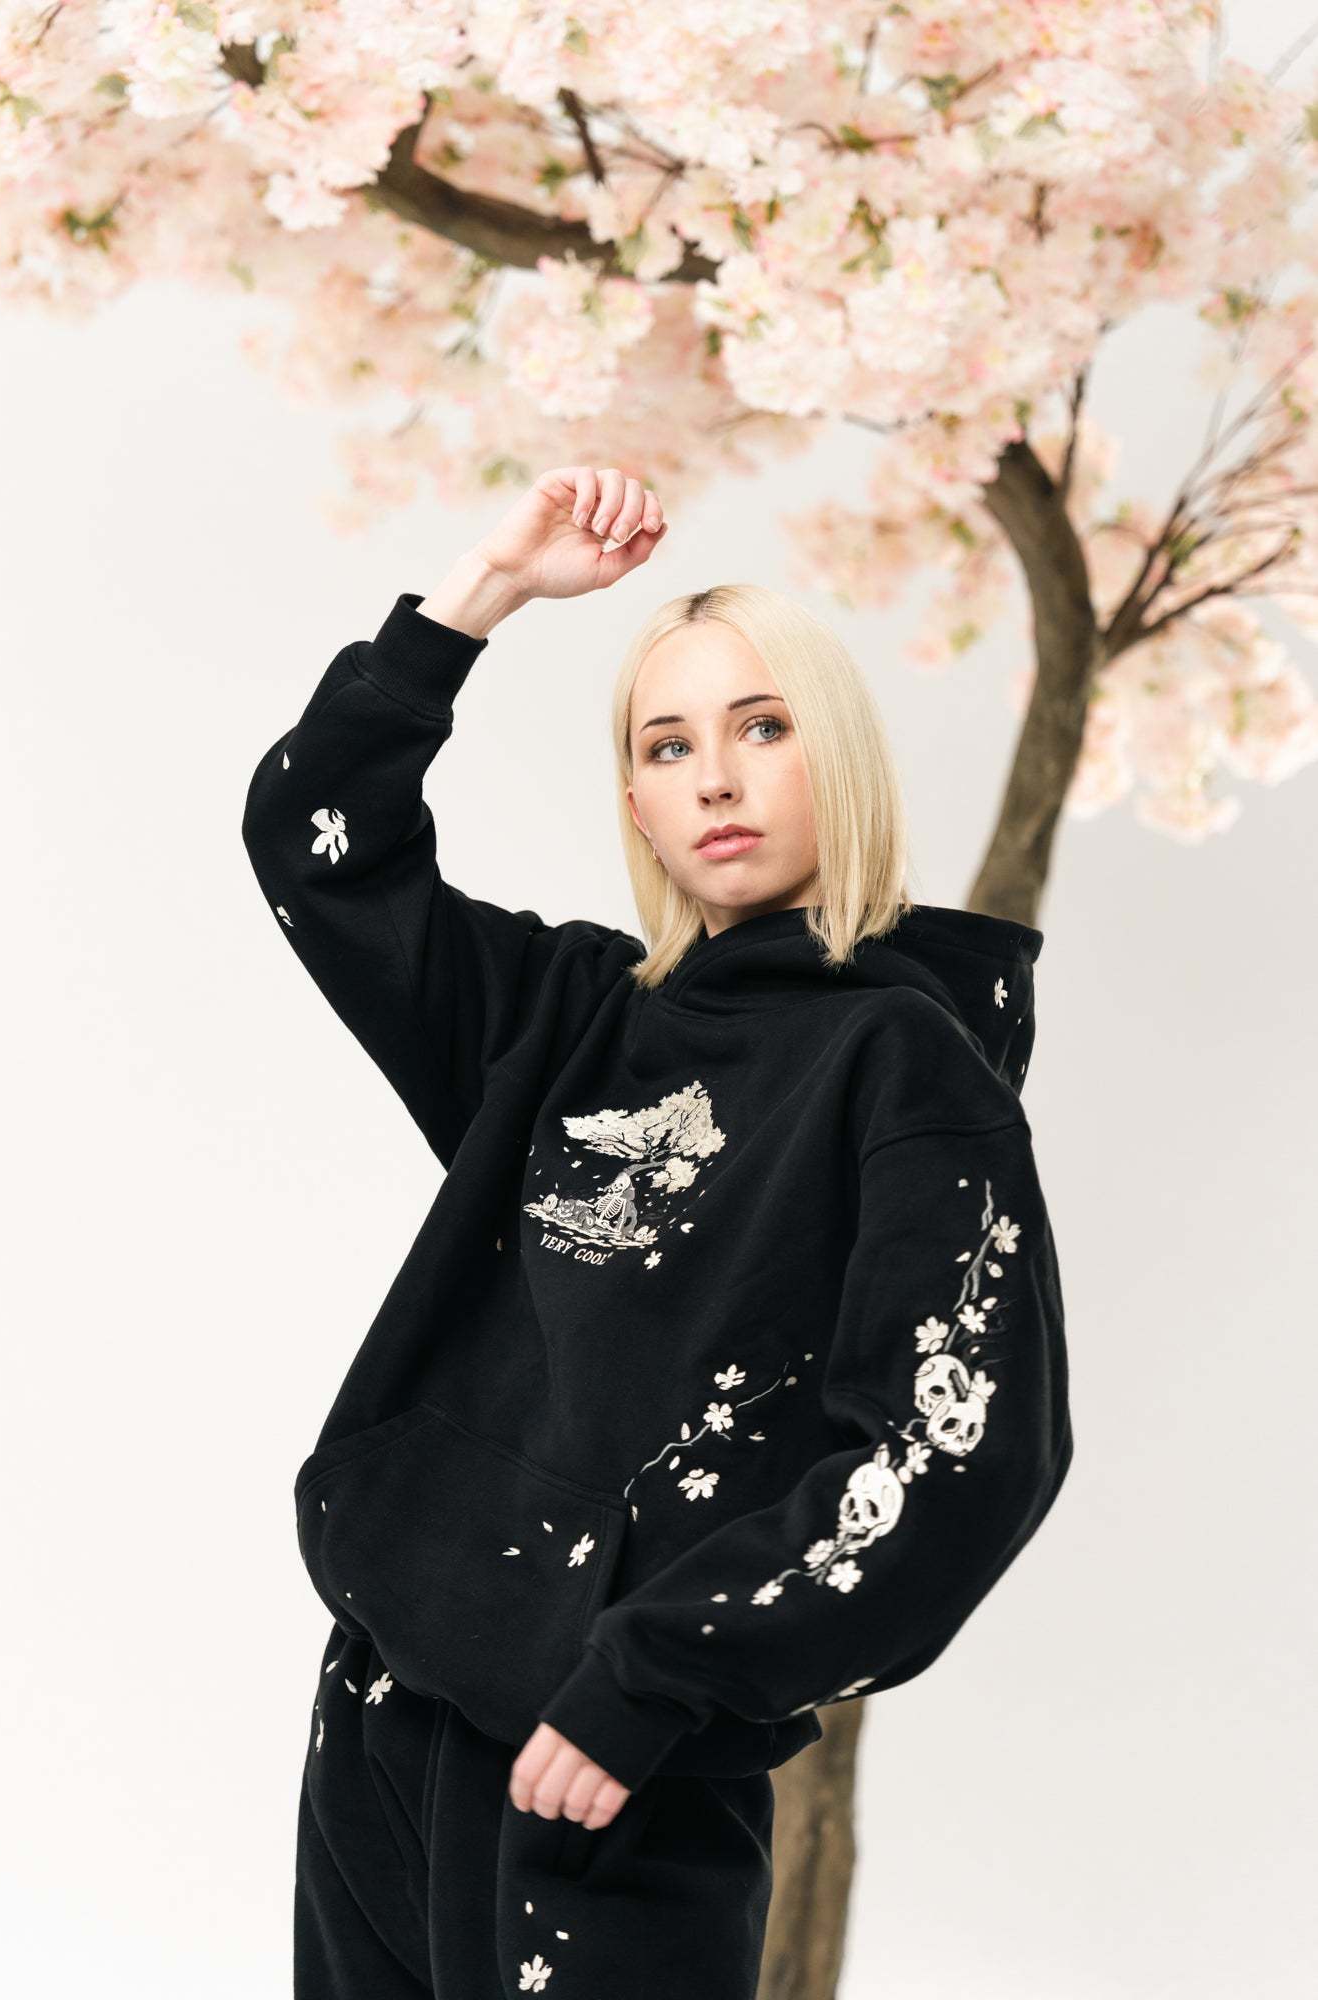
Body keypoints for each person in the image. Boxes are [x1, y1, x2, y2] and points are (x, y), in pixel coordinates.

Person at [240, 465, 1074, 1999]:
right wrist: (484, 588)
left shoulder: (903, 1067)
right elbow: (318, 841)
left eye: (761, 727)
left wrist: (655, 1680)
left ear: (837, 754)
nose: (713, 779)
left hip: (611, 1772)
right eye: (666, 744)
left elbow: (956, 1450)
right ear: (633, 799)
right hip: (379, 1716)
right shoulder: (565, 1020)